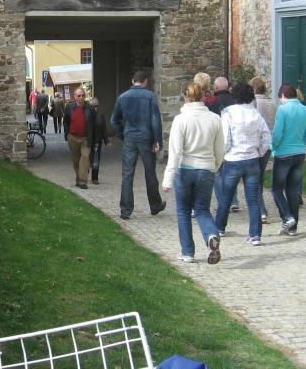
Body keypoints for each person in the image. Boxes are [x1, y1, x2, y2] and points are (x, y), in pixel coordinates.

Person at [162, 82, 225, 264]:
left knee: (183, 210)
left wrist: (168, 178)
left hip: (185, 169)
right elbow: (220, 149)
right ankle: (211, 235)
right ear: (203, 96)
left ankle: (188, 252)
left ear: (185, 97)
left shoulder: (180, 120)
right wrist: (214, 166)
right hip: (206, 168)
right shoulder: (215, 119)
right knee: (202, 209)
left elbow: (175, 152)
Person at [214, 82, 271, 245]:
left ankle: (219, 228)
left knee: (226, 196)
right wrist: (259, 152)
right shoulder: (256, 114)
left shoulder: (228, 113)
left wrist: (225, 154)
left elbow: (225, 140)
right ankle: (255, 235)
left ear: (234, 96)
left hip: (233, 159)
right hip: (252, 159)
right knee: (253, 199)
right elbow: (266, 137)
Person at [110, 70, 167, 220]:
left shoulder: (123, 97)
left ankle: (125, 210)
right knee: (150, 173)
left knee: (127, 174)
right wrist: (158, 141)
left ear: (132, 81)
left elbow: (114, 121)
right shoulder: (150, 96)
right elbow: (155, 121)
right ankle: (155, 205)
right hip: (146, 138)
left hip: (130, 137)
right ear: (145, 81)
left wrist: (122, 135)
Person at [271, 83, 306, 236]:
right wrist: (302, 143)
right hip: (299, 153)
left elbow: (277, 133)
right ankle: (293, 228)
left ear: (283, 95)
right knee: (293, 191)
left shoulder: (282, 110)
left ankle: (287, 217)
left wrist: (273, 146)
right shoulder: (305, 110)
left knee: (276, 189)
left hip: (283, 153)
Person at [210, 76, 240, 211]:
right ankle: (233, 201)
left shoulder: (213, 101)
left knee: (217, 172)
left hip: (217, 140)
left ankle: (223, 202)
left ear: (215, 88)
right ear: (228, 87)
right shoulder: (235, 101)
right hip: (234, 140)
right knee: (230, 172)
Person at [250, 76, 277, 223]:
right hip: (268, 145)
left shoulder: (253, 104)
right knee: (259, 177)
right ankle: (260, 210)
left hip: (256, 144)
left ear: (254, 89)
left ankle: (261, 211)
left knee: (254, 179)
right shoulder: (272, 104)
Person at [63, 88, 95, 190]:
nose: (81, 97)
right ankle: (78, 177)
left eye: (83, 95)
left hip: (85, 138)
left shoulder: (90, 108)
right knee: (76, 160)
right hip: (73, 138)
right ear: (75, 97)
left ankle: (82, 181)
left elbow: (94, 123)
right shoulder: (69, 107)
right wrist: (67, 134)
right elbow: (65, 121)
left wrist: (94, 138)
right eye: (79, 96)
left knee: (85, 158)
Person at [88, 97, 110, 185]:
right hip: (87, 141)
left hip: (97, 141)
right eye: (92, 106)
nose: (94, 108)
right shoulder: (87, 115)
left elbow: (104, 129)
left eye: (95, 106)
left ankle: (95, 178)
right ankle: (84, 175)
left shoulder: (100, 116)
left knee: (95, 161)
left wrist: (107, 141)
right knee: (87, 159)